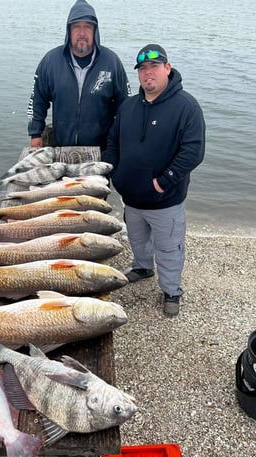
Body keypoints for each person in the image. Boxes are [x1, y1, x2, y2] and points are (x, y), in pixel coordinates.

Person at [103, 44, 206, 317]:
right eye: (143, 69)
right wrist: (115, 171)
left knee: (169, 248)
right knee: (137, 239)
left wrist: (163, 182)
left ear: (167, 69)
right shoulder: (128, 107)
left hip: (165, 202)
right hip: (132, 199)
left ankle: (172, 291)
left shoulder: (186, 106)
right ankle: (142, 267)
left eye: (155, 67)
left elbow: (193, 152)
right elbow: (112, 141)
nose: (148, 73)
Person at [27, 0, 130, 150]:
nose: (82, 33)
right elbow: (37, 100)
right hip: (62, 146)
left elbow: (125, 106)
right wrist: (35, 133)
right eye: (76, 27)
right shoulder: (51, 61)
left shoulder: (112, 62)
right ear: (69, 30)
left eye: (87, 27)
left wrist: (122, 138)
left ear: (95, 31)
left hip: (101, 149)